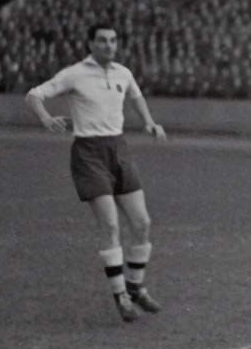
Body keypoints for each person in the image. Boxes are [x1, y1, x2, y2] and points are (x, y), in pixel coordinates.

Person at [25, 23, 167, 323]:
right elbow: (33, 95)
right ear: (90, 43)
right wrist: (46, 118)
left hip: (119, 150)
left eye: (113, 40)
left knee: (142, 222)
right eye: (102, 40)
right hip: (89, 154)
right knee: (111, 226)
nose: (109, 45)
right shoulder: (75, 73)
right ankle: (121, 297)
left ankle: (136, 287)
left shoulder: (123, 72)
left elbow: (135, 95)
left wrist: (150, 122)